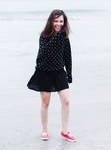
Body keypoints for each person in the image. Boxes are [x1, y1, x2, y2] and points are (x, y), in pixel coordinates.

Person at [27, 9, 77, 142]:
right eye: (56, 21)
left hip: (59, 71)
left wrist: (70, 74)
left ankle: (65, 131)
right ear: (51, 21)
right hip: (44, 72)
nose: (59, 24)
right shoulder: (44, 36)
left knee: (66, 101)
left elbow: (68, 57)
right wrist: (57, 37)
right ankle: (44, 130)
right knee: (45, 103)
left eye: (61, 21)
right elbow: (43, 54)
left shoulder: (64, 37)